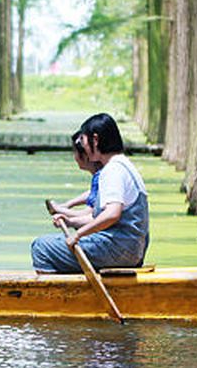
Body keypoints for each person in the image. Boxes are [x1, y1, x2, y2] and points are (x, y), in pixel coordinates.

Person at [33, 113, 149, 273]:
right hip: (129, 250)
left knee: (41, 247)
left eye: (83, 141)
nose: (84, 148)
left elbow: (112, 215)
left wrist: (79, 234)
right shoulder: (123, 165)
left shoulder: (113, 170)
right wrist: (70, 222)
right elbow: (99, 218)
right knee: (52, 244)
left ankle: (55, 295)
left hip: (118, 251)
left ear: (95, 140)